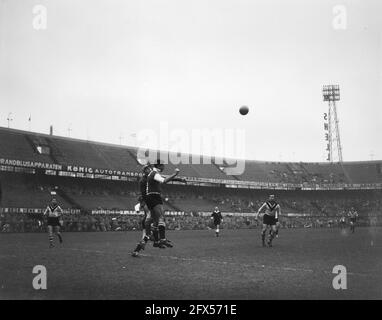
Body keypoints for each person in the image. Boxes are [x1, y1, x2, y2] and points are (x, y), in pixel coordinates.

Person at [145, 159, 186, 249]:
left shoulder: (154, 173)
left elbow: (164, 178)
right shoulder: (154, 174)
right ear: (159, 166)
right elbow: (164, 181)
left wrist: (179, 179)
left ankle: (156, 241)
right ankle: (162, 239)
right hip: (154, 197)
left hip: (150, 197)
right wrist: (175, 173)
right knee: (161, 218)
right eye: (162, 165)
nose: (164, 166)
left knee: (155, 222)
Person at [132, 164, 154, 257]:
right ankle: (151, 238)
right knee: (148, 236)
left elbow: (137, 207)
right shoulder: (146, 202)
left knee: (145, 238)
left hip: (146, 221)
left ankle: (137, 250)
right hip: (148, 221)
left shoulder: (144, 202)